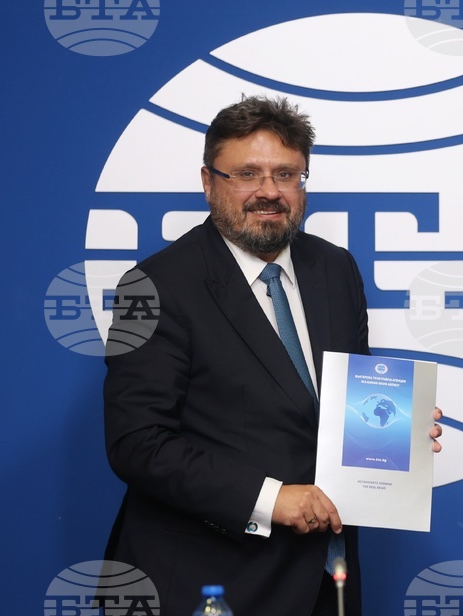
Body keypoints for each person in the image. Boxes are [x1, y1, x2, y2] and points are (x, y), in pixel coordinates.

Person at [103, 95, 442, 616]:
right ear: (208, 181)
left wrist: (396, 427)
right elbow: (137, 442)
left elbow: (345, 399)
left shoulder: (335, 269)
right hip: (206, 582)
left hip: (325, 577)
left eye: (286, 174)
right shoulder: (153, 286)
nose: (268, 191)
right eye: (247, 174)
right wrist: (268, 498)